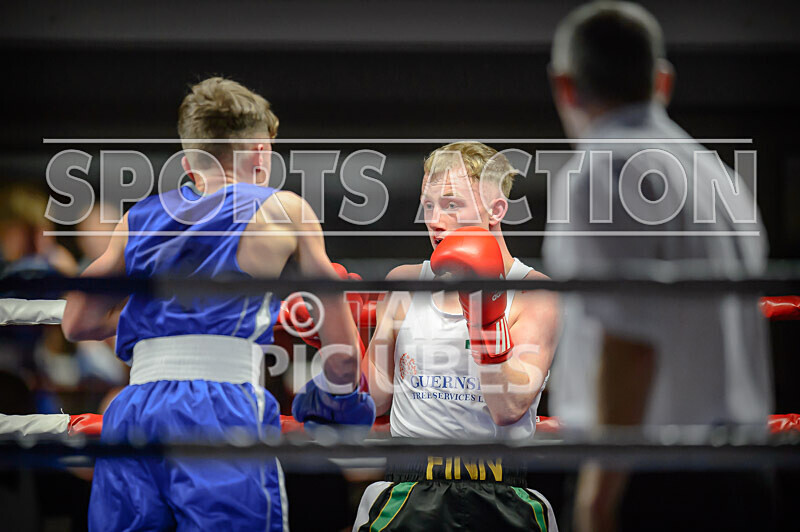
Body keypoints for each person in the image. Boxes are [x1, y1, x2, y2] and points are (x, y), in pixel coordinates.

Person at [61, 76, 370, 531]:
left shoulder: (137, 219)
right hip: (223, 412)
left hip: (133, 412)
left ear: (191, 163)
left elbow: (76, 323)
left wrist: (164, 316)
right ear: (261, 155)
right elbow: (343, 360)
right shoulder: (284, 210)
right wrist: (338, 399)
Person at [541, 3, 772, 531]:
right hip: (745, 476)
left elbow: (628, 343)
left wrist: (598, 500)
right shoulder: (719, 175)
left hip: (656, 481)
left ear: (565, 86)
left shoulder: (602, 166)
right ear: (662, 82)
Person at [353, 142, 560, 531]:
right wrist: (341, 336)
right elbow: (375, 398)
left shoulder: (534, 292)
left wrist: (484, 315)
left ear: (496, 209)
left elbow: (508, 407)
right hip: (409, 489)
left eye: (451, 204)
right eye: (428, 205)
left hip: (501, 492)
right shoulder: (405, 282)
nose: (434, 219)